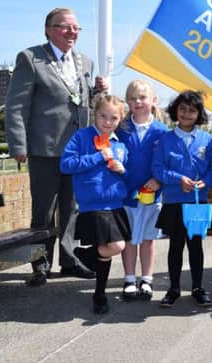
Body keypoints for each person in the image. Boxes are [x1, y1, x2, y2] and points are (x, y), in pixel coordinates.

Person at [5, 7, 105, 286]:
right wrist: (18, 144)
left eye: (76, 27)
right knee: (44, 211)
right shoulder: (30, 58)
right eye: (65, 27)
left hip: (77, 151)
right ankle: (41, 264)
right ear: (49, 29)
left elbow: (81, 103)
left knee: (72, 208)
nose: (72, 32)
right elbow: (16, 107)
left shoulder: (85, 62)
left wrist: (99, 91)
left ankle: (70, 260)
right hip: (43, 150)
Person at [60, 95, 131, 314]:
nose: (107, 122)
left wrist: (122, 170)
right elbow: (66, 165)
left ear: (120, 120)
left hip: (115, 204)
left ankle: (99, 293)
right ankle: (83, 257)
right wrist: (98, 157)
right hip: (94, 204)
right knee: (115, 246)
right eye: (103, 116)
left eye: (113, 118)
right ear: (94, 114)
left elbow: (126, 174)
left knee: (106, 250)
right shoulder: (82, 137)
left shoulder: (120, 145)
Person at [152, 91, 212, 308]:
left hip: (197, 203)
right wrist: (178, 179)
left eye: (192, 110)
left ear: (199, 113)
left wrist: (205, 182)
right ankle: (173, 289)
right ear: (175, 111)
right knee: (175, 246)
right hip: (173, 201)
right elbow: (158, 169)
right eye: (182, 109)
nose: (187, 113)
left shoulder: (206, 139)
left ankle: (198, 288)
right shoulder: (165, 139)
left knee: (195, 246)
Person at [117, 80, 169, 302]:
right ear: (127, 101)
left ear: (153, 100)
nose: (138, 102)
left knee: (148, 240)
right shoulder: (121, 128)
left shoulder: (162, 131)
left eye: (142, 97)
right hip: (126, 193)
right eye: (133, 98)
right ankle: (129, 279)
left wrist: (159, 180)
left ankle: (146, 279)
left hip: (152, 194)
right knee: (129, 239)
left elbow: (168, 162)